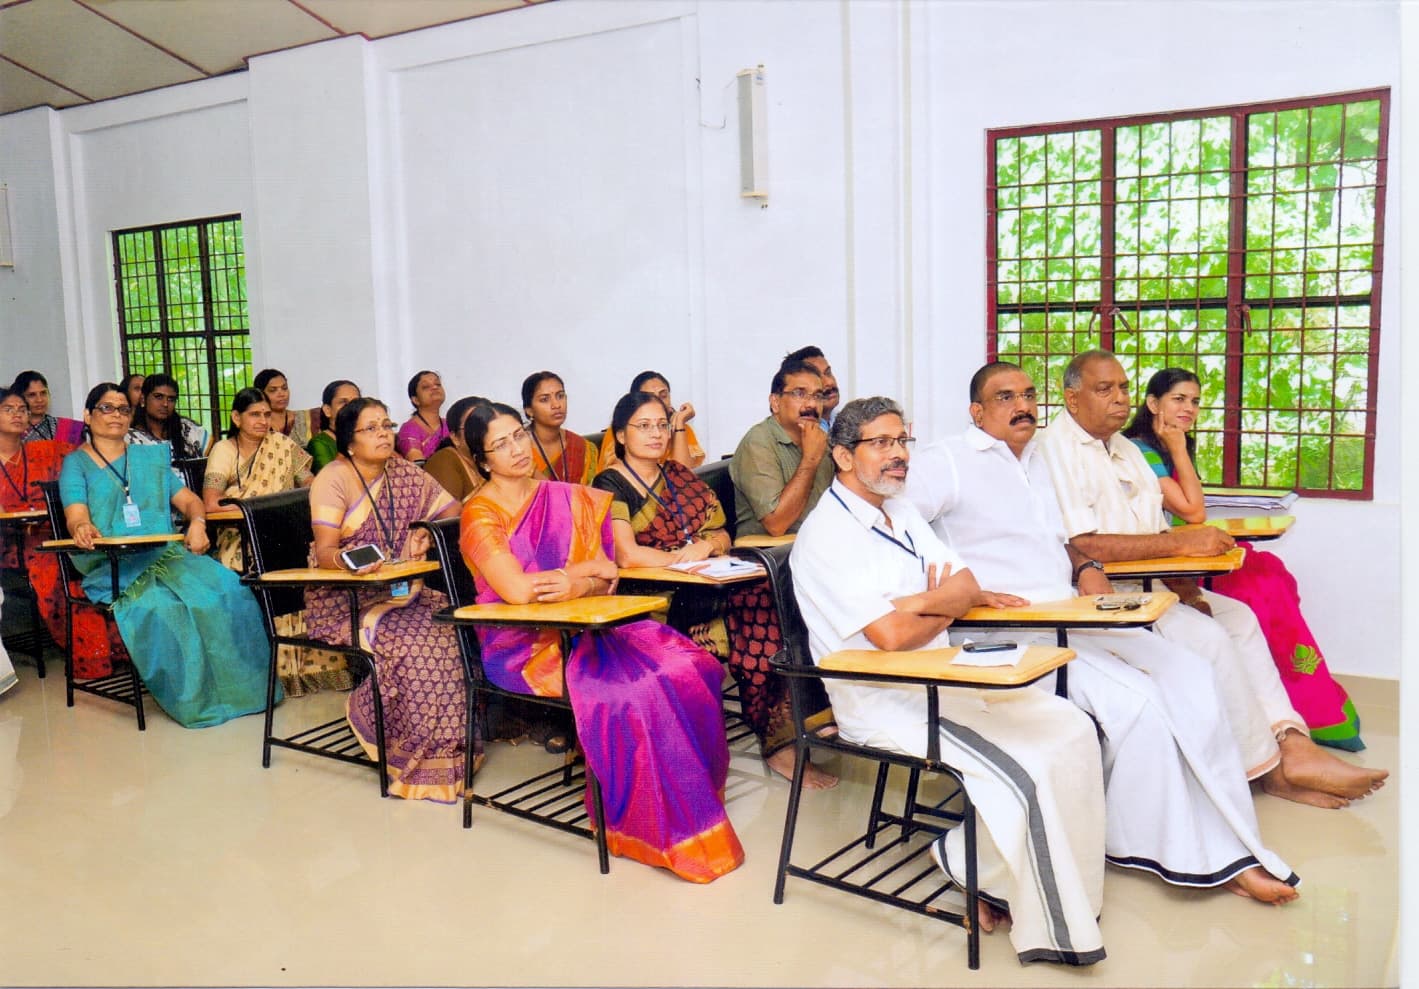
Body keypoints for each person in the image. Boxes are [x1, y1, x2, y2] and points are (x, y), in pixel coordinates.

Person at [906, 362, 1298, 903]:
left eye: (1026, 394)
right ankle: (1173, 850)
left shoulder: (1039, 459)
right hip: (1006, 632)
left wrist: (1083, 565)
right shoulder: (947, 460)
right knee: (1141, 703)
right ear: (977, 412)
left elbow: (1058, 537)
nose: (1022, 405)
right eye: (1003, 398)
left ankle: (1233, 840)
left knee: (1190, 672)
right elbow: (897, 521)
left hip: (1070, 611)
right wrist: (959, 586)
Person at [792, 396, 1106, 965]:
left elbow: (965, 583)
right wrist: (942, 605)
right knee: (1026, 765)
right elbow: (888, 638)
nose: (898, 455)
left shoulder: (902, 510)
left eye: (902, 442)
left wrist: (924, 604)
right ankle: (1023, 903)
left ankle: (981, 866)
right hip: (885, 698)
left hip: (942, 675)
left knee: (1073, 728)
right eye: (881, 444)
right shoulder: (826, 536)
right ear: (841, 456)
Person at [1037, 350, 1386, 807]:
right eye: (1105, 390)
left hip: (1155, 582)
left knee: (1240, 616)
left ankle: (1291, 738)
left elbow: (1155, 526)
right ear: (1072, 398)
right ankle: (1268, 769)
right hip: (1106, 594)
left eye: (1123, 388)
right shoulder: (1055, 448)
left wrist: (1183, 580)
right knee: (1210, 637)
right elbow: (1088, 543)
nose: (1120, 399)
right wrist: (1183, 547)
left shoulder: (1123, 447)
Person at [460, 402, 743, 883]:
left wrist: (578, 584)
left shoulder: (569, 497)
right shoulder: (479, 514)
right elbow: (519, 591)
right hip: (525, 645)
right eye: (500, 444)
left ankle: (691, 797)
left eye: (518, 436)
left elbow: (609, 574)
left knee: (686, 664)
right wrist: (575, 576)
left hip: (590, 624)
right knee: (633, 691)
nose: (516, 449)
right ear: (483, 459)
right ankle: (648, 824)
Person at [591, 391, 836, 788]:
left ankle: (800, 726)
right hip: (656, 605)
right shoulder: (609, 483)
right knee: (756, 622)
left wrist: (704, 547)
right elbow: (628, 554)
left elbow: (722, 532)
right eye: (644, 426)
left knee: (773, 602)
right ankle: (779, 744)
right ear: (620, 434)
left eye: (661, 424)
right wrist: (681, 560)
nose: (656, 434)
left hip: (703, 586)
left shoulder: (678, 474)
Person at [1122, 367, 1365, 751]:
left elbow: (1189, 512)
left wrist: (1180, 447)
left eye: (1196, 401)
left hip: (1179, 549)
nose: (1189, 408)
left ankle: (1306, 700)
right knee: (1258, 585)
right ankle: (1297, 708)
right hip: (1160, 561)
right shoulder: (1139, 448)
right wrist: (1180, 448)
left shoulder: (1171, 444)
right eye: (1179, 399)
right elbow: (1193, 512)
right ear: (1153, 404)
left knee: (1270, 570)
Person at [58, 382, 271, 728]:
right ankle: (196, 703)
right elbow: (76, 513)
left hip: (165, 554)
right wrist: (81, 526)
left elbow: (189, 500)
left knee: (230, 590)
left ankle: (246, 693)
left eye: (123, 409)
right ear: (88, 415)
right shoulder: (76, 465)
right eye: (106, 408)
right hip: (113, 564)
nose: (116, 415)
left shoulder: (149, 459)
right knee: (166, 610)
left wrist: (198, 523)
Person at [305, 396, 469, 800]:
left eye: (387, 425)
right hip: (348, 599)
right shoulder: (334, 477)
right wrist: (350, 562)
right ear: (348, 441)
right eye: (371, 428)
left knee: (451, 628)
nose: (384, 434)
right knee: (417, 645)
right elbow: (324, 552)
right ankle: (407, 751)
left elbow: (455, 510)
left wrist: (427, 531)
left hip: (404, 588)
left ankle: (449, 753)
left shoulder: (403, 472)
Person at [203, 389, 345, 697]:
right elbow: (212, 504)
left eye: (267, 415)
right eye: (255, 414)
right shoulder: (225, 450)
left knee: (315, 568)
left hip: (286, 535)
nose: (263, 421)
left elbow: (309, 484)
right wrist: (255, 510)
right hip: (241, 536)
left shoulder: (282, 445)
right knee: (236, 569)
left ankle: (310, 670)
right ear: (236, 417)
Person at [0, 386, 128, 680]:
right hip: (11, 543)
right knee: (56, 566)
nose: (19, 414)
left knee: (95, 558)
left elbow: (88, 467)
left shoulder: (50, 451)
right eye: (9, 409)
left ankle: (119, 647)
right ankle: (92, 655)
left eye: (22, 409)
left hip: (57, 532)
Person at [728, 359, 834, 537]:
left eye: (817, 396)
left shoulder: (820, 437)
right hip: (772, 554)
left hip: (820, 543)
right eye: (800, 394)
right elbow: (776, 524)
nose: (812, 405)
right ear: (775, 402)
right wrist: (810, 460)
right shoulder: (758, 442)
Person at [596, 371, 706, 469]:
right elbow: (621, 478)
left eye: (663, 396)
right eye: (649, 397)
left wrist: (679, 424)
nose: (659, 402)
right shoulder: (621, 430)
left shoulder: (682, 428)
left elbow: (684, 478)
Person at [521, 371, 599, 484]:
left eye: (560, 396)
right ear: (529, 410)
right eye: (544, 399)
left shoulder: (584, 448)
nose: (556, 405)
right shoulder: (516, 449)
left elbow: (594, 496)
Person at [422, 395, 489, 503]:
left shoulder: (499, 455)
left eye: (488, 423)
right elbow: (449, 518)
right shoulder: (443, 461)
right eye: (472, 426)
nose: (483, 431)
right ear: (455, 437)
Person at [128, 373, 208, 459]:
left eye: (171, 399)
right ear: (143, 399)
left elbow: (215, 455)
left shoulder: (187, 428)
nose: (165, 404)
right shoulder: (130, 438)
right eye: (158, 397)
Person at [9, 371, 83, 445]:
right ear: (20, 398)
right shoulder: (12, 432)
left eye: (43, 393)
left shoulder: (69, 428)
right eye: (32, 395)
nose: (39, 400)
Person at [254, 368, 318, 452]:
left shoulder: (307, 418)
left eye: (284, 388)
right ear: (261, 394)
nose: (281, 394)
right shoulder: (257, 425)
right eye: (273, 390)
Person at [307, 379, 360, 473]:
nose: (352, 407)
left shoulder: (368, 436)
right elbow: (329, 478)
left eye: (356, 402)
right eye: (343, 402)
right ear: (327, 410)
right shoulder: (319, 443)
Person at [395, 370, 448, 462]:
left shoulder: (450, 424)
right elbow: (418, 464)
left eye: (438, 384)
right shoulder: (409, 429)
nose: (435, 387)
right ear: (415, 400)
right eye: (426, 387)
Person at [784, 346, 842, 430]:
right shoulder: (796, 431)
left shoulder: (845, 422)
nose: (830, 382)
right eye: (818, 377)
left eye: (828, 373)